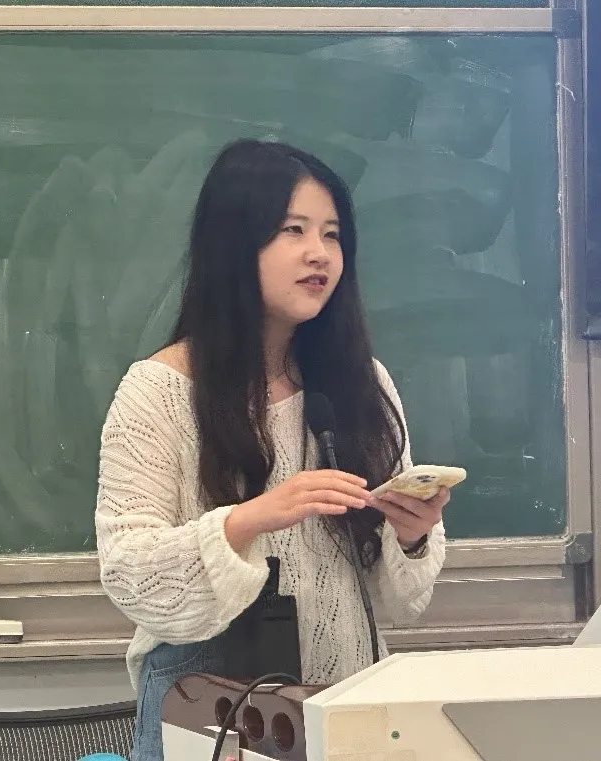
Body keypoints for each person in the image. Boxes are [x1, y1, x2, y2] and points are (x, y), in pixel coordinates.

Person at [95, 139, 449, 761]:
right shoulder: (158, 392)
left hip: (345, 708)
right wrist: (250, 518)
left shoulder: (361, 384)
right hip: (210, 720)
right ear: (235, 243)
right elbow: (129, 575)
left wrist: (412, 535)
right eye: (294, 229)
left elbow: (398, 605)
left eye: (332, 234)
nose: (320, 253)